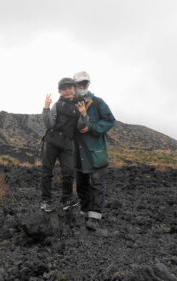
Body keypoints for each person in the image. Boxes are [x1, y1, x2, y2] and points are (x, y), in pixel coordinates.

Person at [73, 71, 116, 230]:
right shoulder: (71, 103)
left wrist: (92, 128)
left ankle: (95, 217)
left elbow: (110, 121)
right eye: (79, 84)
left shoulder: (97, 102)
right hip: (78, 152)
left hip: (96, 151)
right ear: (74, 85)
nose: (82, 87)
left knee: (97, 184)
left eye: (85, 84)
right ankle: (84, 212)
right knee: (82, 184)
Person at [40, 77, 87, 212]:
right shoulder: (57, 105)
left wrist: (83, 114)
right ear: (60, 91)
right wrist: (46, 107)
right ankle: (46, 200)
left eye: (70, 88)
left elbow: (80, 126)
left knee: (68, 172)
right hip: (52, 141)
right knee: (47, 171)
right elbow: (49, 124)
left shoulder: (80, 105)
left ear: (74, 88)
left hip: (68, 143)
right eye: (64, 89)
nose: (67, 91)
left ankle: (67, 199)